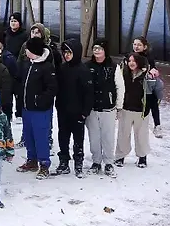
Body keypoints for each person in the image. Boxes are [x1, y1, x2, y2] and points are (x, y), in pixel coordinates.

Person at [16, 36, 58, 179]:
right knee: (29, 136)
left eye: (27, 49)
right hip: (27, 107)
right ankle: (32, 160)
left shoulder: (47, 67)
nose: (25, 51)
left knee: (41, 137)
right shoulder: (27, 64)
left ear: (33, 51)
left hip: (40, 110)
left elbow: (52, 88)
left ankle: (44, 164)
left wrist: (40, 100)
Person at [54, 39, 94, 177]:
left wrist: (85, 112)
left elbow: (89, 93)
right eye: (65, 52)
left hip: (78, 112)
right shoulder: (62, 69)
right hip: (63, 111)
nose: (66, 55)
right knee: (63, 137)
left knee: (78, 139)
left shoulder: (83, 70)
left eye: (69, 52)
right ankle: (64, 161)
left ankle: (78, 163)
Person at [115, 53, 162, 169]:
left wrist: (149, 107)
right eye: (129, 60)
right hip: (125, 109)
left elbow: (155, 93)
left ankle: (142, 156)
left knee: (141, 135)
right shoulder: (123, 73)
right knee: (123, 134)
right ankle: (120, 156)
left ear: (139, 62)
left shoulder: (147, 75)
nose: (131, 63)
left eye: (134, 61)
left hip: (141, 111)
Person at [85, 40, 122, 177]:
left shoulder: (114, 67)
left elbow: (120, 87)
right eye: (95, 48)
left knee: (108, 137)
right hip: (92, 109)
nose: (97, 51)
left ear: (105, 50)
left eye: (100, 48)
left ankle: (108, 162)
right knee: (94, 137)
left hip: (108, 108)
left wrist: (119, 106)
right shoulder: (87, 66)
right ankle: (96, 162)